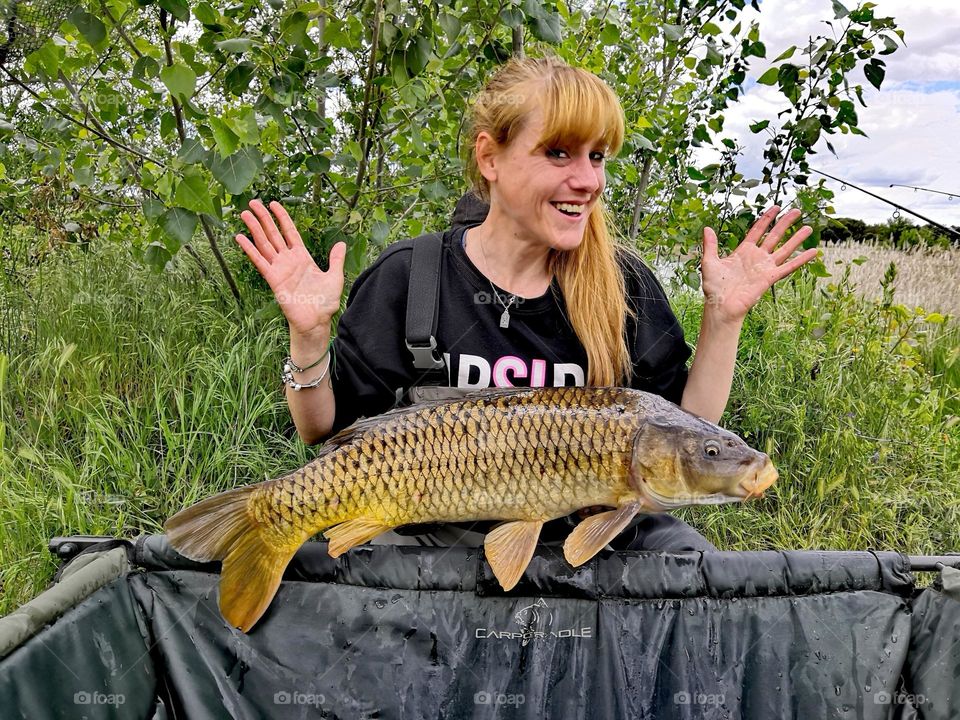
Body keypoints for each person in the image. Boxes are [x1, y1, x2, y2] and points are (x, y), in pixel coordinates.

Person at [234, 56, 816, 551]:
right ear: (490, 158)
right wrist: (309, 337)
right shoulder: (410, 277)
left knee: (688, 560)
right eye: (560, 153)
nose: (588, 180)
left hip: (579, 537)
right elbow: (326, 435)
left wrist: (724, 319)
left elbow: (685, 432)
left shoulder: (624, 285)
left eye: (598, 157)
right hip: (427, 537)